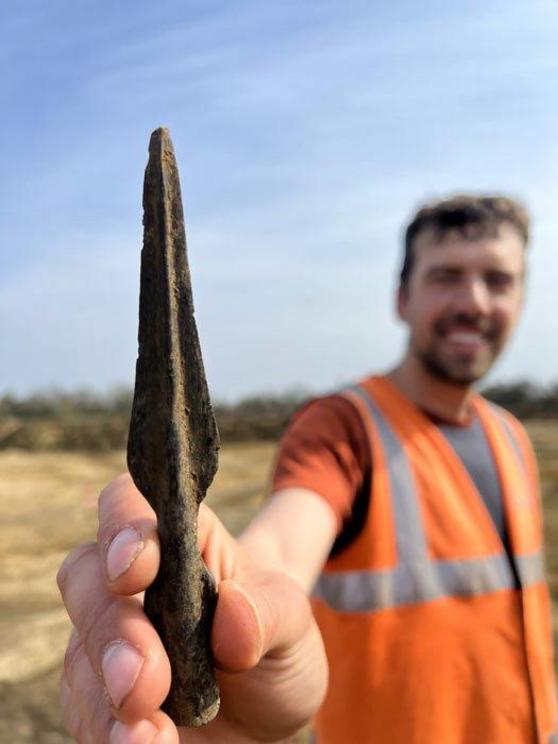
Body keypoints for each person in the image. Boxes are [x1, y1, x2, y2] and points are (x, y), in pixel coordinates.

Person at [57, 195, 557, 743]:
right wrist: (241, 607)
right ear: (401, 297)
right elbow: (279, 558)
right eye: (446, 277)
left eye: (499, 280)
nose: (474, 301)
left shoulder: (510, 435)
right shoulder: (342, 428)